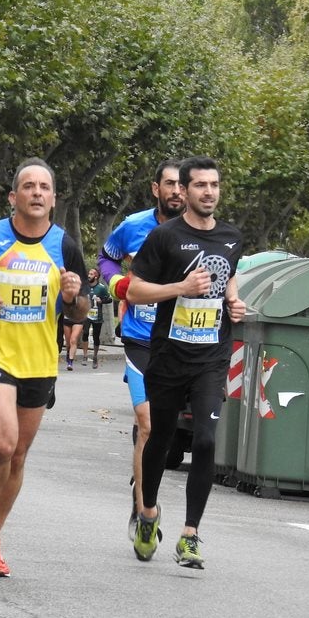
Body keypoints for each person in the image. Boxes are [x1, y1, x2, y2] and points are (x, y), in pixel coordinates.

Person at [0, 158, 87, 576]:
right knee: (3, 444)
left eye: (45, 187)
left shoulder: (65, 247)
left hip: (40, 360)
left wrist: (72, 296)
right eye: (29, 186)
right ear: (14, 197)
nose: (37, 193)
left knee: (20, 454)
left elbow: (80, 311)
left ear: (54, 198)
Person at [127, 156, 245, 569]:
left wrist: (233, 300)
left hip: (212, 356)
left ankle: (190, 534)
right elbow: (135, 292)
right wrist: (181, 286)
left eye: (214, 185)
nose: (208, 192)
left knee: (207, 439)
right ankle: (148, 514)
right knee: (158, 438)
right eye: (200, 186)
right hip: (168, 355)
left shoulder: (232, 237)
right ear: (186, 190)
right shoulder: (164, 237)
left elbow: (227, 274)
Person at [97, 158, 185, 539]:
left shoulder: (199, 232)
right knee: (147, 421)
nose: (177, 191)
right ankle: (143, 512)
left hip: (181, 341)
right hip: (140, 336)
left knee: (162, 427)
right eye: (170, 184)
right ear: (156, 189)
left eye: (183, 185)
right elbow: (106, 257)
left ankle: (143, 481)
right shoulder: (134, 226)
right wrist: (117, 284)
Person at [80, 268, 111, 368]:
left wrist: (101, 301)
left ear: (96, 276)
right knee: (85, 334)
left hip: (97, 316)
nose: (89, 275)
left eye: (91, 274)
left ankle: (95, 357)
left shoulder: (101, 288)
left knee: (96, 337)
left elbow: (109, 299)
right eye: (88, 273)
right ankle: (85, 356)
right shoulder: (85, 286)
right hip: (86, 315)